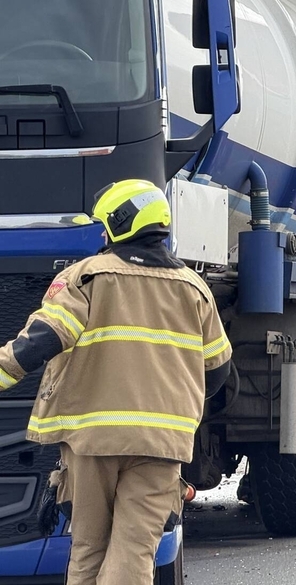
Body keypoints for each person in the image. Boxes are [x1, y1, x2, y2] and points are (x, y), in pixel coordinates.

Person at [0, 179, 232, 584]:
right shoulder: (196, 290)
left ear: (120, 223)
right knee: (135, 551)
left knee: (88, 548)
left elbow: (41, 341)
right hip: (161, 443)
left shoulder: (87, 278)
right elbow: (217, 371)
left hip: (92, 440)